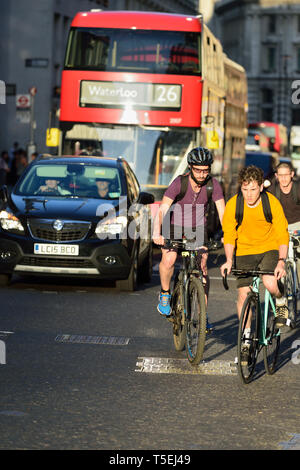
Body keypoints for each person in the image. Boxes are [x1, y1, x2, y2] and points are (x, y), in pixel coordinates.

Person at [220, 166, 289, 362]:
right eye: (245, 189)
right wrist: (229, 260)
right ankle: (247, 337)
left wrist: (281, 262)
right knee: (243, 294)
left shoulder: (271, 203)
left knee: (269, 283)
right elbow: (229, 234)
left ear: (260, 187)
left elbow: (282, 233)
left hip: (268, 248)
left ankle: (281, 300)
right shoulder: (234, 204)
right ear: (240, 188)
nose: (249, 195)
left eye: (252, 189)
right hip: (244, 251)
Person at [153, 147, 225, 325]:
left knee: (203, 267)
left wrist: (228, 235)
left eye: (206, 170)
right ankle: (164, 293)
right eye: (198, 170)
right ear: (190, 168)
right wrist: (156, 232)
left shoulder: (213, 185)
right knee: (169, 259)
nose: (202, 174)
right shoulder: (179, 183)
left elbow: (223, 214)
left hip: (198, 228)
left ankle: (202, 316)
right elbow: (162, 209)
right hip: (174, 225)